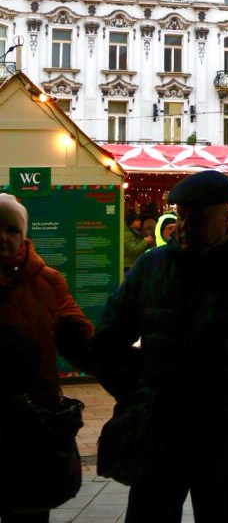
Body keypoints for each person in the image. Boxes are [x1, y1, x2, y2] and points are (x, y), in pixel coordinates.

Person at [92, 169, 228, 523]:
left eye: (198, 217)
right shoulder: (153, 266)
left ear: (227, 214)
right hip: (159, 430)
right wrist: (138, 394)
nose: (186, 226)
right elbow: (108, 339)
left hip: (225, 434)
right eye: (181, 215)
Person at [0, 192, 94, 523]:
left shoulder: (47, 282)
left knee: (29, 509)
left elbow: (80, 341)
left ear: (23, 234)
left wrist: (129, 374)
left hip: (32, 425)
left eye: (11, 229)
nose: (3, 237)